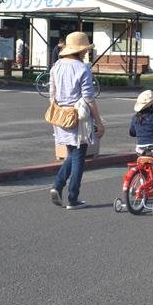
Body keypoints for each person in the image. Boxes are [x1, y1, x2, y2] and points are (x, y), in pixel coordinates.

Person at [48, 31, 105, 210]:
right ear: (81, 50)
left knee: (72, 153)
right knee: (79, 155)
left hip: (61, 115)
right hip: (78, 116)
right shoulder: (82, 69)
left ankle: (57, 186)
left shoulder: (56, 66)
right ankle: (72, 198)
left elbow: (52, 94)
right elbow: (89, 98)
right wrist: (99, 122)